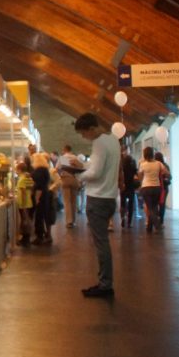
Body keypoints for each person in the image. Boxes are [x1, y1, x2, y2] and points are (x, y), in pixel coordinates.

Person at [73, 113, 119, 298]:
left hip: (98, 197)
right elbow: (98, 167)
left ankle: (105, 285)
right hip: (109, 197)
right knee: (102, 243)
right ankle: (105, 282)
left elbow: (96, 173)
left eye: (84, 133)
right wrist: (83, 165)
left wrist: (78, 175)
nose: (85, 137)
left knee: (101, 244)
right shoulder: (113, 140)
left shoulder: (99, 142)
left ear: (91, 129)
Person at [136, 146, 167, 233]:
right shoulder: (158, 164)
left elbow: (140, 176)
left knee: (150, 208)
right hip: (157, 187)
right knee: (154, 207)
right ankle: (149, 227)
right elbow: (166, 173)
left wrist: (140, 184)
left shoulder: (142, 165)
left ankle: (157, 225)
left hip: (146, 187)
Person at [30, 152, 54, 245]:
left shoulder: (39, 171)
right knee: (42, 215)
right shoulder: (45, 170)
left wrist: (37, 198)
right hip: (45, 194)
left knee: (39, 216)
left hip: (40, 195)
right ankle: (42, 235)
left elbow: (39, 185)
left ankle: (39, 237)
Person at [58, 144, 83, 228]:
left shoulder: (63, 157)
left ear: (65, 150)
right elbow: (81, 167)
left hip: (65, 179)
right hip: (74, 179)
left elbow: (58, 168)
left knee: (67, 201)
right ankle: (73, 221)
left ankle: (69, 221)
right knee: (73, 201)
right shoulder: (75, 157)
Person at [118, 144, 140, 228]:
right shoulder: (132, 160)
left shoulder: (120, 161)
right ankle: (129, 222)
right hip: (130, 184)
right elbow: (135, 172)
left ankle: (123, 219)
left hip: (123, 183)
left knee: (123, 202)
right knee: (130, 203)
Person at [14, 161, 35, 246]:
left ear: (19, 170)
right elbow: (32, 189)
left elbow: (22, 192)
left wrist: (23, 205)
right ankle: (25, 238)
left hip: (24, 204)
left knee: (24, 221)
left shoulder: (22, 179)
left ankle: (26, 240)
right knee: (26, 220)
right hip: (29, 202)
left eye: (16, 169)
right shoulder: (28, 178)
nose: (16, 171)